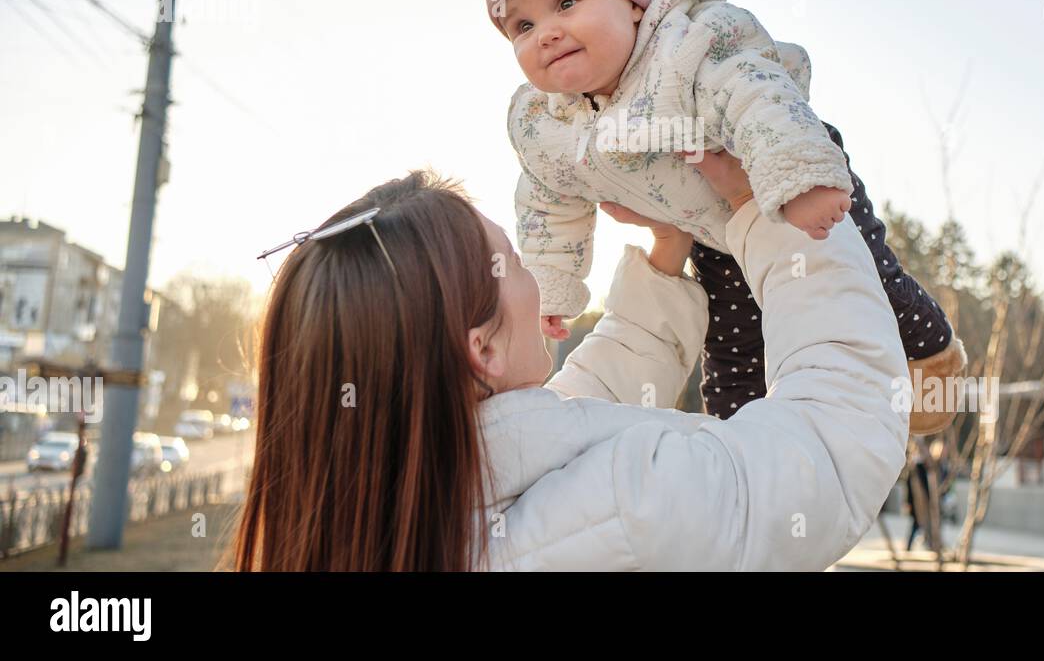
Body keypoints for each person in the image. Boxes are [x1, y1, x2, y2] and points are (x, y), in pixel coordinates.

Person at [232, 150, 910, 570]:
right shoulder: (628, 502)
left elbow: (579, 416)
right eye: (516, 265)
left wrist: (666, 247)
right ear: (483, 350)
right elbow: (831, 444)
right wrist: (770, 212)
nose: (537, 279)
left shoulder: (397, 511)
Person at [489, 0, 965, 428]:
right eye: (522, 25)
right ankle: (745, 447)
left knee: (866, 280)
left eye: (567, 2)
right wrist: (551, 287)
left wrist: (799, 179)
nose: (547, 32)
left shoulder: (689, 47)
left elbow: (758, 95)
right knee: (733, 353)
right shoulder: (547, 124)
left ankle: (932, 360)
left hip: (781, 177)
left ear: (633, 2)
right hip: (710, 235)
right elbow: (548, 200)